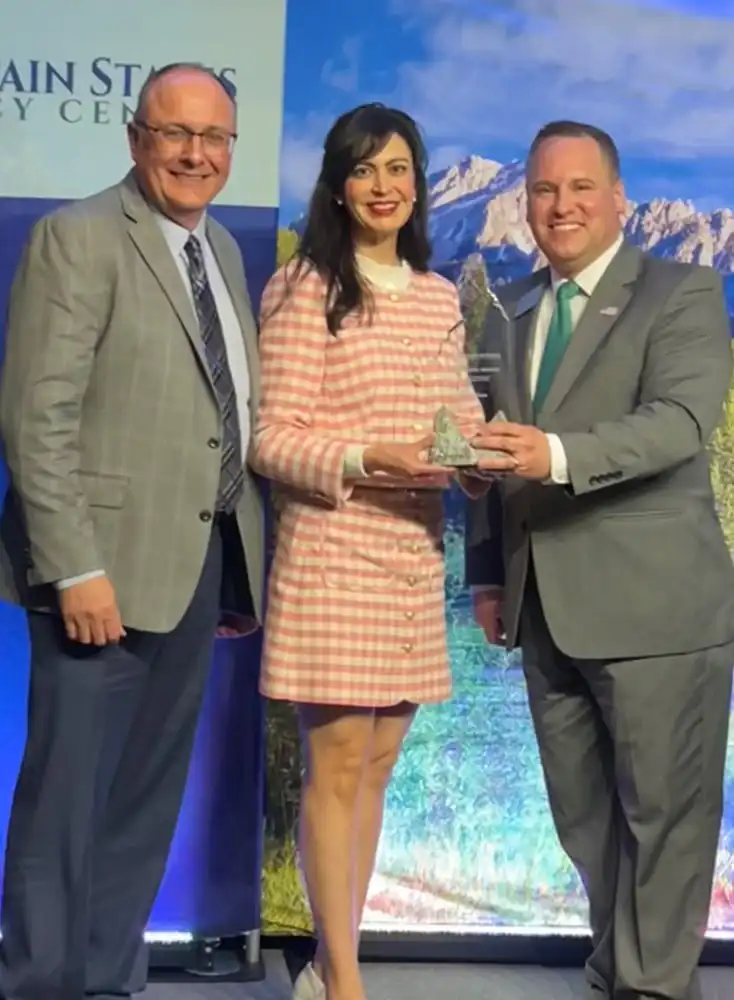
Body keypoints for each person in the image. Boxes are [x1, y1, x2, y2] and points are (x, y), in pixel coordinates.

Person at [0, 63, 263, 1000]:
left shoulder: (222, 252)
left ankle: (108, 982)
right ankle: (40, 985)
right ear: (135, 137)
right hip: (98, 577)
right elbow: (39, 420)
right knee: (63, 807)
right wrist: (75, 568)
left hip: (193, 570)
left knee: (144, 804)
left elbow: (218, 413)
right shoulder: (76, 238)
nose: (197, 154)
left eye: (215, 138)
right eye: (176, 133)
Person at [466, 119, 734, 1000]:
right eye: (544, 190)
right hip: (546, 608)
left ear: (619, 198)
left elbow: (680, 423)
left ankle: (650, 987)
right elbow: (488, 449)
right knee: (585, 821)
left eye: (581, 188)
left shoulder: (682, 292)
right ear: (525, 203)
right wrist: (489, 573)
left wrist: (557, 456)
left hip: (659, 611)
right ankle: (623, 968)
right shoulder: (512, 309)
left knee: (665, 821)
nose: (560, 205)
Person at [250, 103, 487, 1000]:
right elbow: (271, 438)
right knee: (338, 766)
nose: (384, 187)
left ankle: (325, 962)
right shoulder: (306, 285)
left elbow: (453, 416)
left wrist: (478, 460)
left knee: (378, 767)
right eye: (365, 171)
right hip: (335, 553)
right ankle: (345, 979)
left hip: (414, 560)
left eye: (398, 168)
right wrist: (362, 458)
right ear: (339, 188)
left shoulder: (432, 293)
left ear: (416, 182)